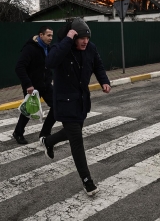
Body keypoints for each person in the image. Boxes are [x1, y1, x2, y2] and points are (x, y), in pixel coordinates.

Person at [41, 18, 111, 196]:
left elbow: (98, 66)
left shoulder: (91, 48)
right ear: (73, 37)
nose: (85, 41)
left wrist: (104, 81)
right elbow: (50, 62)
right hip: (64, 103)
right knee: (77, 141)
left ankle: (47, 141)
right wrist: (68, 39)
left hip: (81, 101)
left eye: (87, 38)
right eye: (81, 38)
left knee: (73, 134)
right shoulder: (61, 48)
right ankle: (88, 181)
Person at [12, 25, 56, 144]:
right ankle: (18, 133)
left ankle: (45, 133)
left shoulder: (48, 48)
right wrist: (28, 84)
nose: (51, 38)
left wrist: (50, 78)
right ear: (41, 35)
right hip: (32, 86)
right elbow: (19, 67)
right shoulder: (30, 49)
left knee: (57, 107)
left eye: (52, 35)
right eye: (48, 35)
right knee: (29, 110)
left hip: (46, 85)